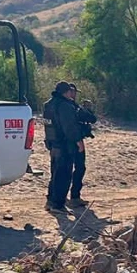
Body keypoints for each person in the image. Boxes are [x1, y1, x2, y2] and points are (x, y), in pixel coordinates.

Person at [43, 81, 83, 214]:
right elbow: (69, 127)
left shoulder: (48, 105)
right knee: (64, 175)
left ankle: (50, 201)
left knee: (55, 173)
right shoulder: (65, 106)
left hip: (53, 145)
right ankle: (58, 205)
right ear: (66, 92)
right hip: (64, 145)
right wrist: (78, 141)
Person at [66, 83, 97, 208]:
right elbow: (92, 118)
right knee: (79, 168)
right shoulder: (72, 107)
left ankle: (62, 197)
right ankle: (74, 197)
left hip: (65, 142)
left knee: (65, 169)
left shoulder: (62, 106)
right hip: (75, 141)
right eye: (73, 92)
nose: (74, 94)